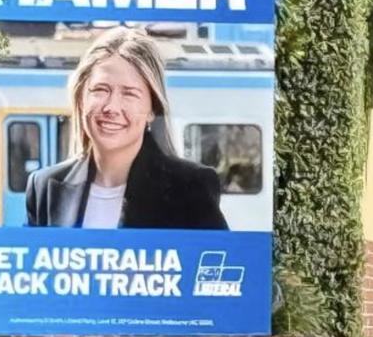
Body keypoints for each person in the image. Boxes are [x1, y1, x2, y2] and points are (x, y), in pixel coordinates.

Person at [26, 26, 228, 229]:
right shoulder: (44, 188)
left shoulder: (191, 188)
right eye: (100, 90)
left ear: (152, 109)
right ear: (80, 100)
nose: (111, 107)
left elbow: (221, 258)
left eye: (129, 93)